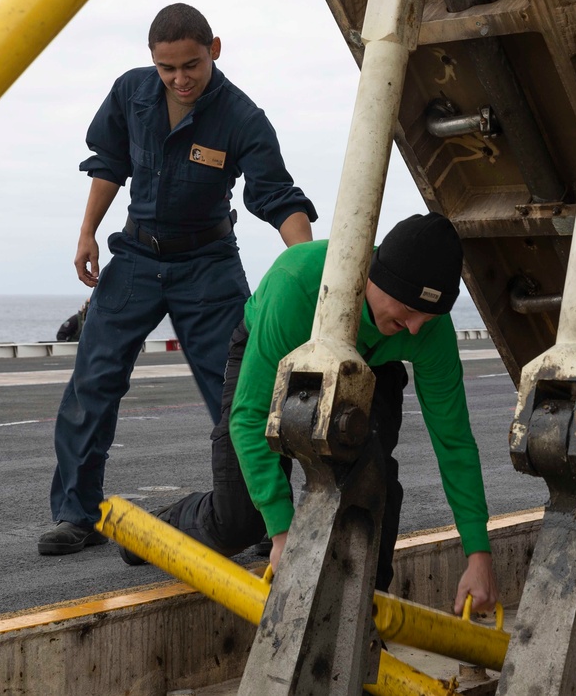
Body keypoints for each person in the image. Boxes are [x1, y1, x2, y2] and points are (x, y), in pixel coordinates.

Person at [39, 3, 317, 555]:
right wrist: (87, 233)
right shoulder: (130, 92)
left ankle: (266, 516)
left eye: (191, 64)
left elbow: (277, 196)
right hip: (137, 256)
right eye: (168, 69)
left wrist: (308, 269)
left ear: (214, 48)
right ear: (152, 61)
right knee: (91, 384)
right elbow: (108, 163)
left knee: (243, 393)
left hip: (208, 265)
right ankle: (78, 513)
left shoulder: (243, 117)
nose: (180, 79)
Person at [156, 213, 498, 615]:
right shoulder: (298, 282)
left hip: (370, 363)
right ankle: (163, 525)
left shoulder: (422, 327)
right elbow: (248, 419)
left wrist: (479, 554)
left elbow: (453, 439)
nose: (416, 328)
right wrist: (282, 532)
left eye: (429, 316)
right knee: (240, 521)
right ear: (374, 277)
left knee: (374, 482)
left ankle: (363, 625)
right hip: (282, 350)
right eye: (407, 309)